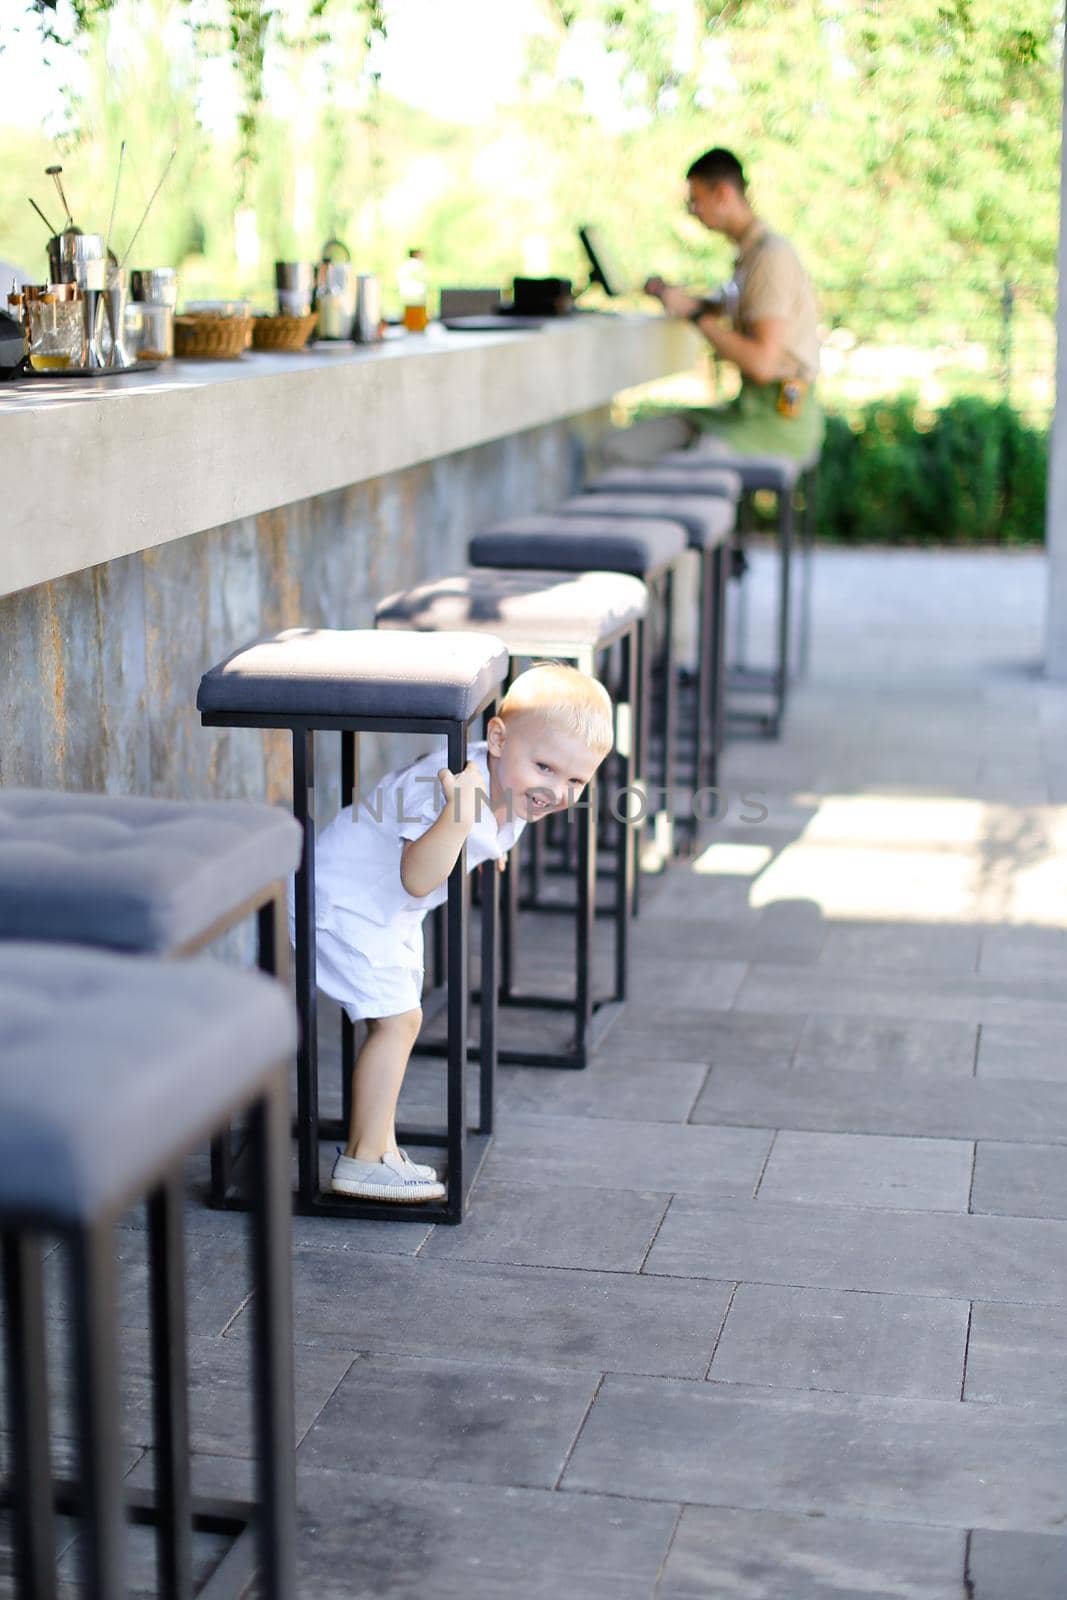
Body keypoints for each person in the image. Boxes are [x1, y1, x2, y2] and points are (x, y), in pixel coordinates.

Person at [310, 662, 614, 1203]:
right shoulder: (456, 788)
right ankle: (360, 1159)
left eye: (575, 780)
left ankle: (380, 1147)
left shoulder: (511, 786)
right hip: (342, 898)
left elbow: (489, 833)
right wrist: (456, 818)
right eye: (545, 767)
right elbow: (418, 876)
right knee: (399, 1021)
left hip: (386, 911)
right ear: (496, 738)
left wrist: (486, 848)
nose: (555, 790)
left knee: (403, 1015)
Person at [643, 146, 823, 461]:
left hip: (779, 423)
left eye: (695, 200)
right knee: (623, 448)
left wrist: (695, 315)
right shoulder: (749, 255)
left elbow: (763, 364)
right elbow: (729, 305)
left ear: (723, 194)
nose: (692, 211)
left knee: (679, 467)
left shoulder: (770, 257)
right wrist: (679, 300)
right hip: (745, 411)